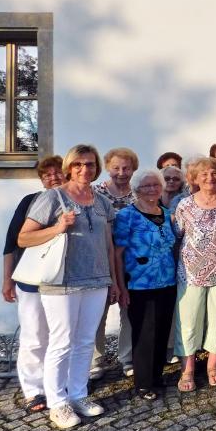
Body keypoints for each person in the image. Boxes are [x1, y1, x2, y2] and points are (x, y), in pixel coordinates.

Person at [18, 144, 120, 429]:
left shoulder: (102, 202)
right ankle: (57, 402)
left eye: (89, 164)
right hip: (62, 282)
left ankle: (78, 394)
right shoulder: (53, 197)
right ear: (69, 168)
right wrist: (57, 228)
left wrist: (111, 279)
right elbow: (24, 238)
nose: (84, 169)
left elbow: (109, 245)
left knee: (85, 341)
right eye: (78, 164)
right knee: (61, 342)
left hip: (97, 281)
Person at [1, 155, 64, 415]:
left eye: (57, 172)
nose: (52, 178)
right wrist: (7, 278)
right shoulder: (30, 202)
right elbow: (11, 243)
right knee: (34, 335)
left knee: (61, 337)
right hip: (31, 280)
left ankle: (57, 385)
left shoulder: (77, 201)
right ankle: (33, 389)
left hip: (65, 282)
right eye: (46, 175)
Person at [174, 157, 216, 392]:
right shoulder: (185, 205)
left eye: (214, 173)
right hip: (190, 271)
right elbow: (177, 236)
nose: (210, 177)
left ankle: (213, 365)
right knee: (188, 320)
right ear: (194, 178)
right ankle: (188, 369)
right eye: (204, 174)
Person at [113, 169, 177, 400]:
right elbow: (117, 254)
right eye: (146, 186)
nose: (151, 189)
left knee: (161, 329)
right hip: (138, 284)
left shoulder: (168, 214)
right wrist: (119, 286)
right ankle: (143, 383)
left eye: (155, 185)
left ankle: (157, 376)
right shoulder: (126, 216)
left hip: (167, 282)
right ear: (136, 189)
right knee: (143, 333)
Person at [91, 147, 138, 380]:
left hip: (131, 262)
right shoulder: (96, 193)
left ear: (133, 169)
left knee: (128, 311)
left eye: (126, 168)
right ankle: (95, 361)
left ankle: (127, 358)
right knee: (97, 312)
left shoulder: (138, 193)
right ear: (107, 168)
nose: (121, 172)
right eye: (116, 167)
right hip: (100, 259)